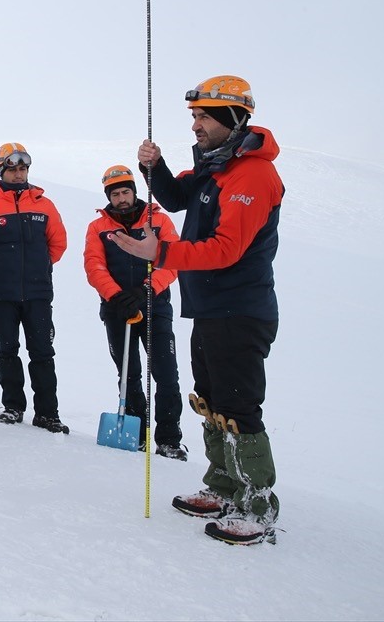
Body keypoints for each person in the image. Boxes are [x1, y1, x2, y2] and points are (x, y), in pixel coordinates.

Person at [110, 75, 283, 545]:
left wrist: (161, 253)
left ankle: (257, 506)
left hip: (240, 309)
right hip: (210, 308)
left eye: (203, 117)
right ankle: (224, 487)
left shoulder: (253, 175)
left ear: (231, 118)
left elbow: (226, 249)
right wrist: (155, 167)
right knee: (212, 400)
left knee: (238, 406)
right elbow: (176, 197)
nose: (195, 126)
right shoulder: (218, 165)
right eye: (194, 117)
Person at [83, 164, 184, 458]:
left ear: (134, 192)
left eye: (125, 192)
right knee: (129, 374)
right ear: (108, 197)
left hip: (155, 307)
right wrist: (115, 296)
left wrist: (145, 290)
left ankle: (169, 440)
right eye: (115, 194)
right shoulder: (98, 228)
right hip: (117, 310)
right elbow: (94, 265)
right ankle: (136, 435)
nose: (121, 198)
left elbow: (172, 261)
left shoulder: (158, 221)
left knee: (166, 374)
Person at [0, 143, 69, 433]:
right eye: (12, 169)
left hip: (38, 293)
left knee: (42, 352)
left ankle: (47, 413)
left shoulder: (44, 205)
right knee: (7, 350)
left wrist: (39, 267)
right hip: (1, 293)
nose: (18, 174)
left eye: (23, 169)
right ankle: (13, 406)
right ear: (1, 170)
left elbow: (58, 244)